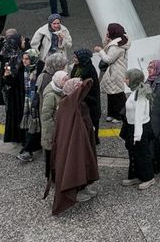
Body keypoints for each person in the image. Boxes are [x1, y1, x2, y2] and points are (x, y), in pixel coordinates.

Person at [47, 76, 100, 215]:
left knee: (85, 162)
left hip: (83, 139)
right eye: (76, 87)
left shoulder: (78, 102)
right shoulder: (68, 103)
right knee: (76, 164)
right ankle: (76, 190)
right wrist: (84, 83)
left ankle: (84, 187)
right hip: (74, 142)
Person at [120, 68, 156, 189]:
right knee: (134, 153)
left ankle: (148, 178)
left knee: (142, 153)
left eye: (127, 78)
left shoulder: (140, 94)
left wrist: (137, 135)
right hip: (133, 126)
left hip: (140, 128)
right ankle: (136, 175)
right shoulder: (135, 91)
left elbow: (139, 116)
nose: (125, 80)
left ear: (133, 79)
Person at [0, 31, 27, 144]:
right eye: (22, 40)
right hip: (18, 92)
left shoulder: (8, 53)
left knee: (12, 113)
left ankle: (15, 136)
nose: (24, 42)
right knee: (18, 114)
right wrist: (7, 76)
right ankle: (20, 137)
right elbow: (12, 77)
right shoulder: (17, 59)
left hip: (11, 91)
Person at [99, 23, 131, 124]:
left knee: (117, 94)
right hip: (118, 69)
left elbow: (108, 59)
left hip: (115, 71)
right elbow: (108, 48)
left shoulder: (116, 46)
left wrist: (100, 51)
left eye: (108, 30)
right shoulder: (121, 40)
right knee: (111, 91)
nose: (107, 32)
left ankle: (120, 115)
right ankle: (112, 114)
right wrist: (106, 40)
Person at [71, 48, 102, 143]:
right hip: (82, 98)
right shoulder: (77, 66)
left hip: (90, 99)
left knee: (91, 119)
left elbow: (90, 87)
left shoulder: (89, 70)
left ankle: (93, 140)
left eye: (76, 57)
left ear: (82, 58)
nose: (74, 59)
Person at [17, 48, 42, 162]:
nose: (24, 61)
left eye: (27, 59)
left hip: (36, 103)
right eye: (23, 58)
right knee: (30, 126)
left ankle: (28, 150)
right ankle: (28, 149)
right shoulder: (23, 69)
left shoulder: (40, 69)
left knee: (33, 125)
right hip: (27, 102)